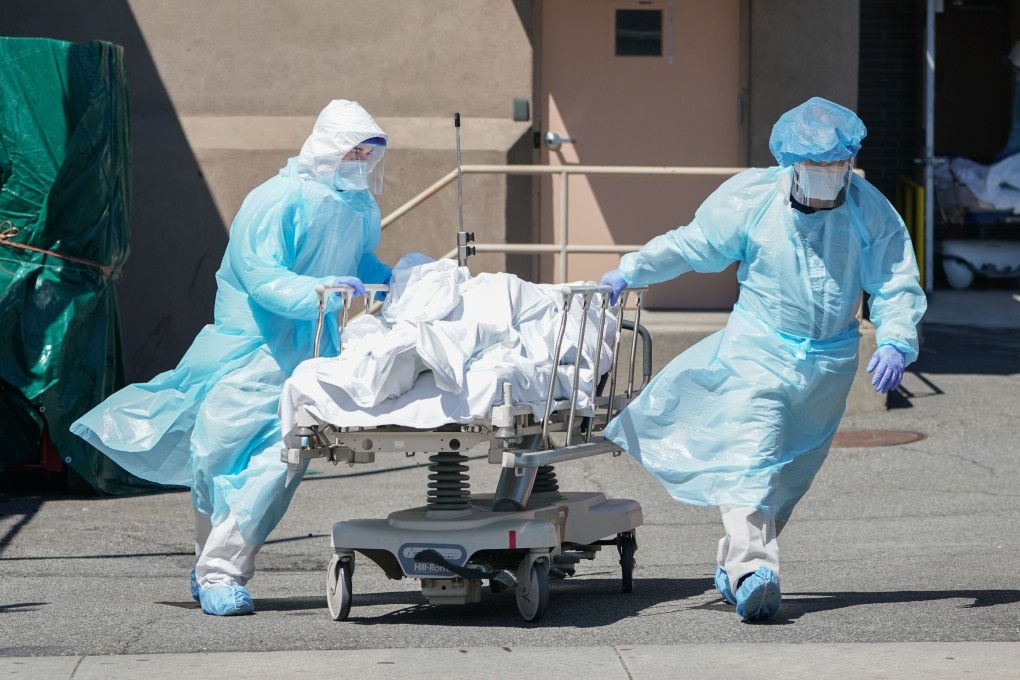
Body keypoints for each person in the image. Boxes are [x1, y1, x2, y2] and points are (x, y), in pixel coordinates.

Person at [599, 97, 926, 622]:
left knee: (790, 476)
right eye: (816, 166)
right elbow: (696, 244)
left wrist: (895, 339)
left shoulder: (869, 209)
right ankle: (756, 570)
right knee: (753, 456)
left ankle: (735, 566)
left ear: (849, 164)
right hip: (760, 347)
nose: (827, 176)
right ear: (791, 162)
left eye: (836, 166)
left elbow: (893, 282)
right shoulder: (753, 199)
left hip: (830, 363)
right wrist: (633, 270)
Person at [71, 99, 394, 616]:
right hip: (250, 353)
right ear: (330, 147)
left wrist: (387, 275)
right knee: (216, 458)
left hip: (309, 359)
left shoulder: (358, 208)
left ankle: (222, 571)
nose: (360, 161)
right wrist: (321, 290)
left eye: (368, 153)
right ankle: (208, 565)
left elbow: (358, 263)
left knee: (277, 465)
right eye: (353, 150)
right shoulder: (277, 199)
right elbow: (260, 274)